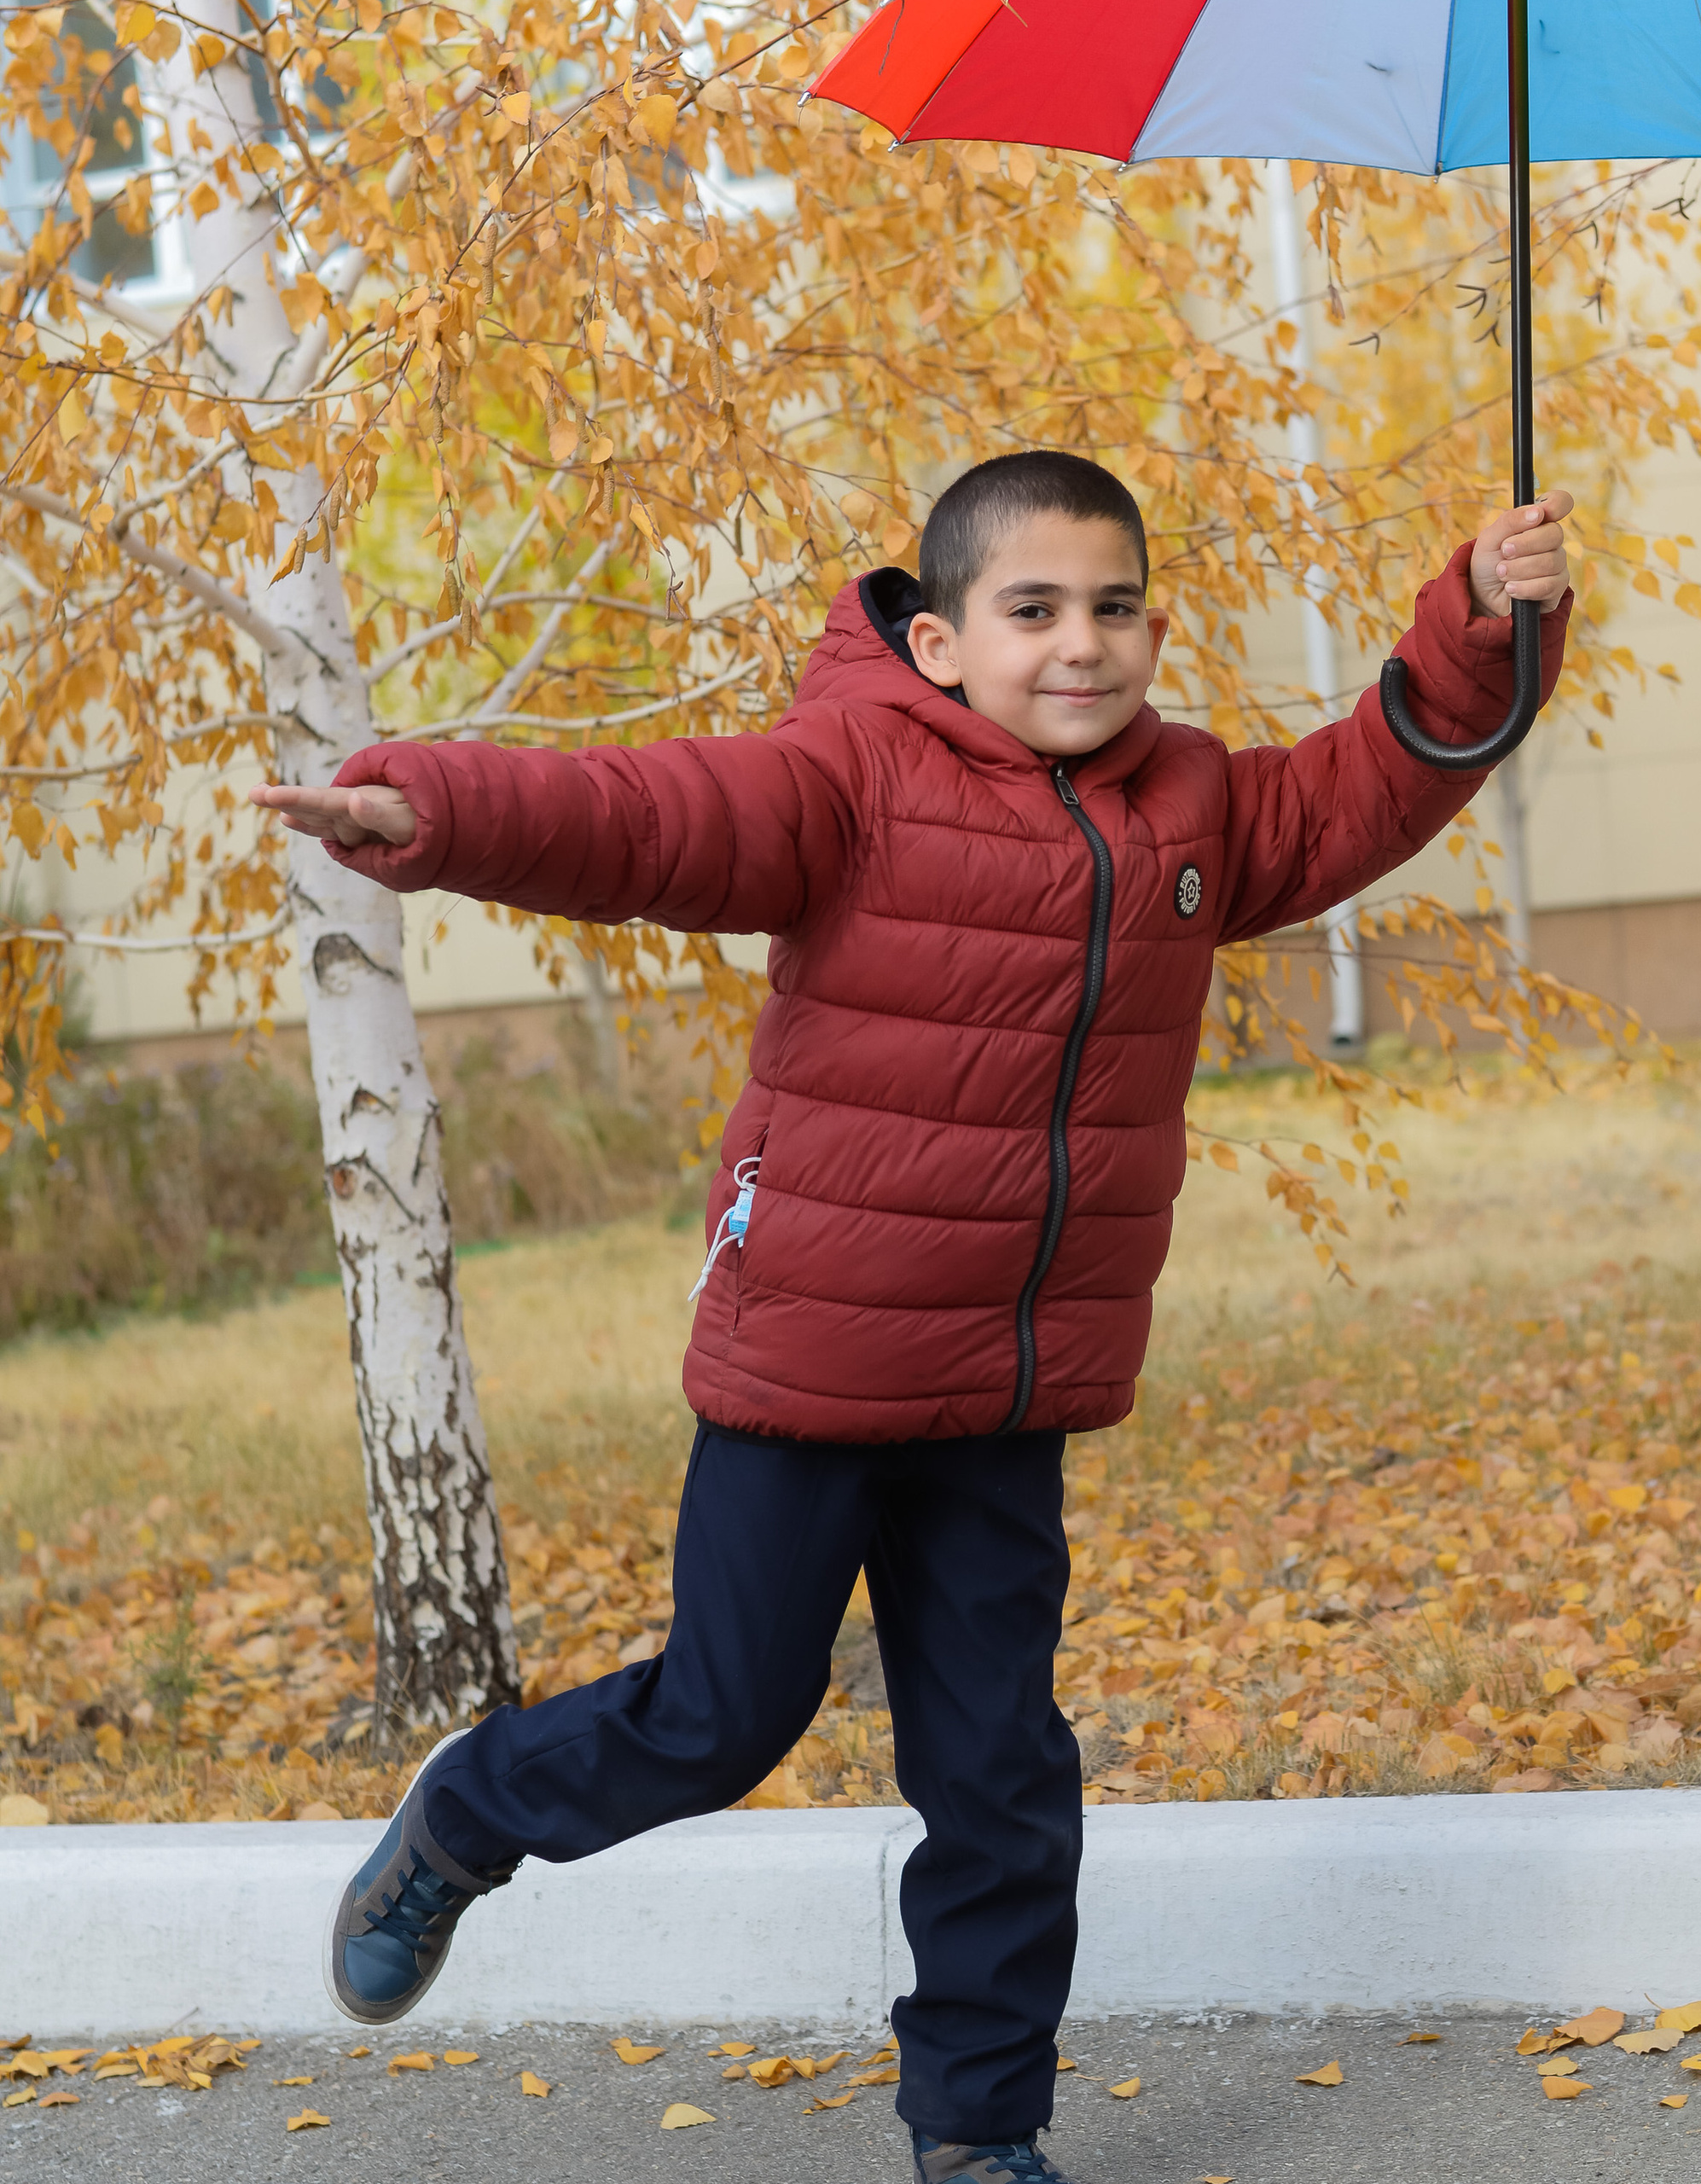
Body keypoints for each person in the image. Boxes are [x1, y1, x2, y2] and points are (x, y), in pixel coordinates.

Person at [253, 451, 1572, 2184]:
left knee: (1002, 1774)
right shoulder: (851, 776)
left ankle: (976, 2130)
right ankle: (464, 1816)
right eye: (1033, 610)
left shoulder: (1188, 806)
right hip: (812, 1366)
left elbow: (1368, 785)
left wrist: (1481, 624)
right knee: (721, 1717)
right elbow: (644, 818)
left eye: (1113, 607)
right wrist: (430, 805)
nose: (1080, 642)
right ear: (940, 642)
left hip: (1006, 1392)